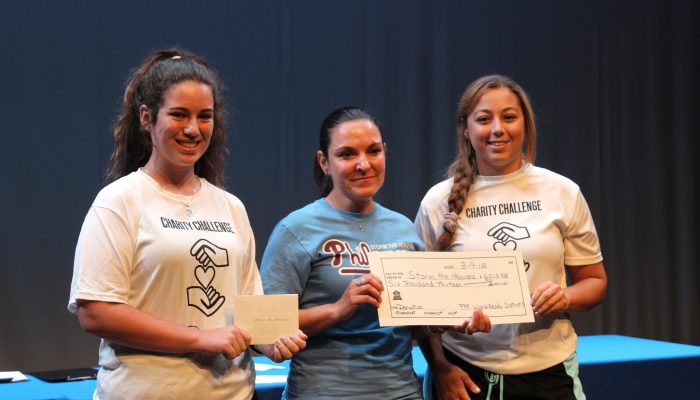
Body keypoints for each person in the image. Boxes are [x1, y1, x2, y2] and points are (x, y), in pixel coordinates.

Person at [68, 48, 306, 400]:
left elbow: (249, 310)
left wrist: (270, 340)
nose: (193, 129)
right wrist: (199, 338)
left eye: (204, 116)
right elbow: (96, 313)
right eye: (179, 115)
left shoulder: (230, 207)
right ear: (147, 118)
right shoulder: (119, 201)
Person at [415, 75, 607, 400]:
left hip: (550, 372)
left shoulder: (562, 191)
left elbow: (595, 283)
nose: (497, 129)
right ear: (466, 129)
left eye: (509, 116)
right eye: (483, 119)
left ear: (526, 124)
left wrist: (565, 297)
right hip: (463, 374)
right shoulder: (438, 201)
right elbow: (419, 304)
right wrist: (440, 368)